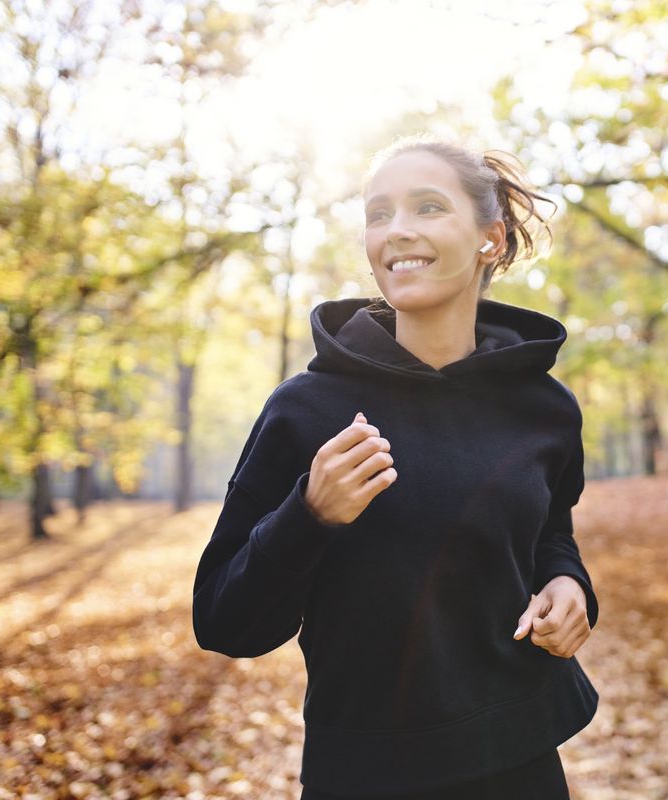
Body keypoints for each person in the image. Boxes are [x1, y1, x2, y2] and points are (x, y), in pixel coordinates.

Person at [191, 135, 600, 800]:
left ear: (489, 239)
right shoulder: (306, 410)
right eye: (378, 214)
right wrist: (309, 513)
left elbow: (551, 529)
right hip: (365, 776)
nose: (396, 231)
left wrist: (569, 583)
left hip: (520, 761)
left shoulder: (543, 408)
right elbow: (223, 620)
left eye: (428, 207)